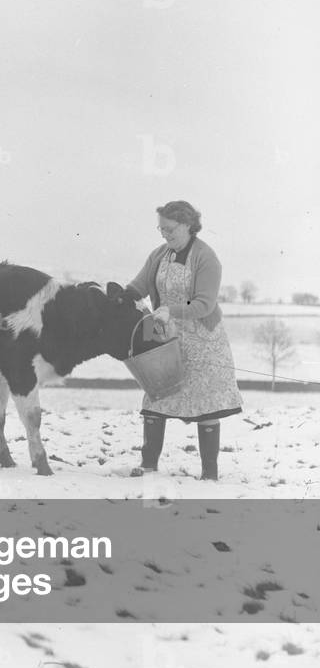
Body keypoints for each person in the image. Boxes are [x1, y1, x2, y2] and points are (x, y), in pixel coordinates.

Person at [124, 200, 242, 480]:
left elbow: (203, 304)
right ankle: (149, 464)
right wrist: (119, 296)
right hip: (164, 334)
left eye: (170, 229)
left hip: (202, 338)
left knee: (205, 403)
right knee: (156, 396)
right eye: (161, 229)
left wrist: (171, 311)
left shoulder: (206, 257)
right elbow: (139, 286)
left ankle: (209, 474)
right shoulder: (159, 254)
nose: (164, 235)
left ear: (188, 225)